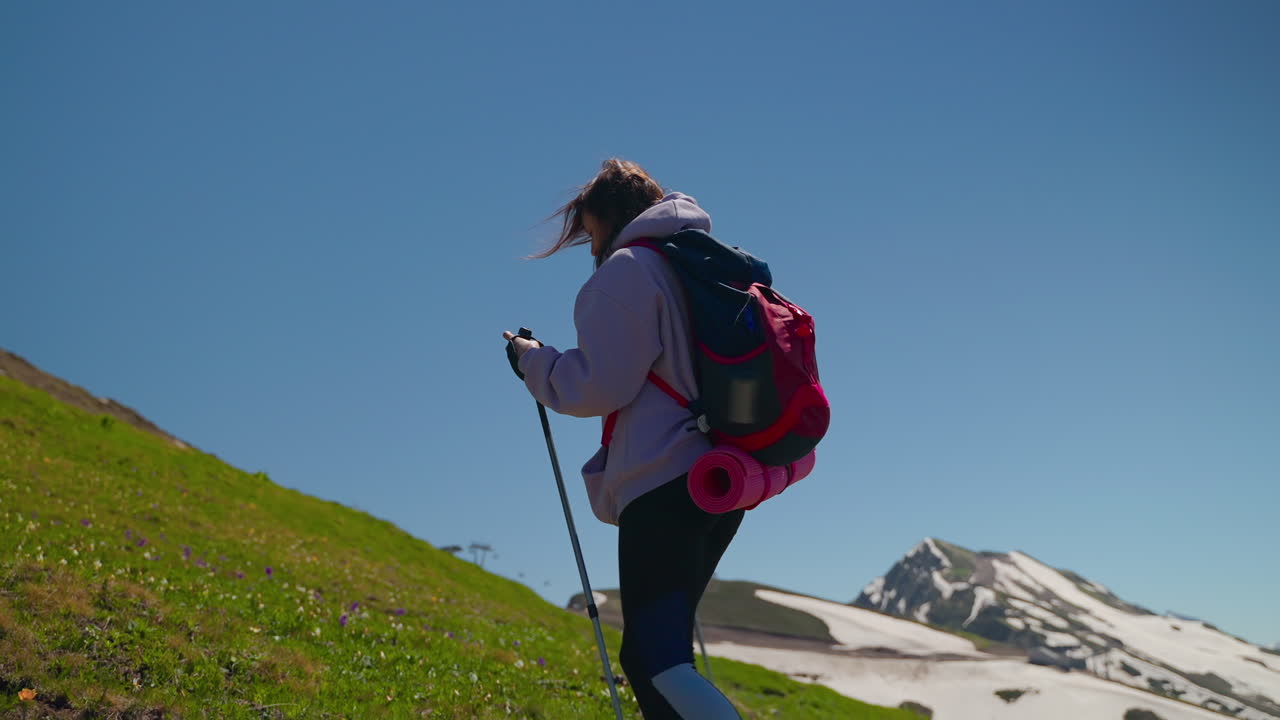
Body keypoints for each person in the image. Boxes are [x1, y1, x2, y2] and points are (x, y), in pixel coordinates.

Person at [502, 158, 744, 719]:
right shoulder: (699, 263)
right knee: (661, 655)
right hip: (723, 476)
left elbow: (599, 387)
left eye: (590, 232)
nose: (590, 248)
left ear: (610, 219)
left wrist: (533, 363)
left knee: (655, 659)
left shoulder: (628, 271)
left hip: (663, 481)